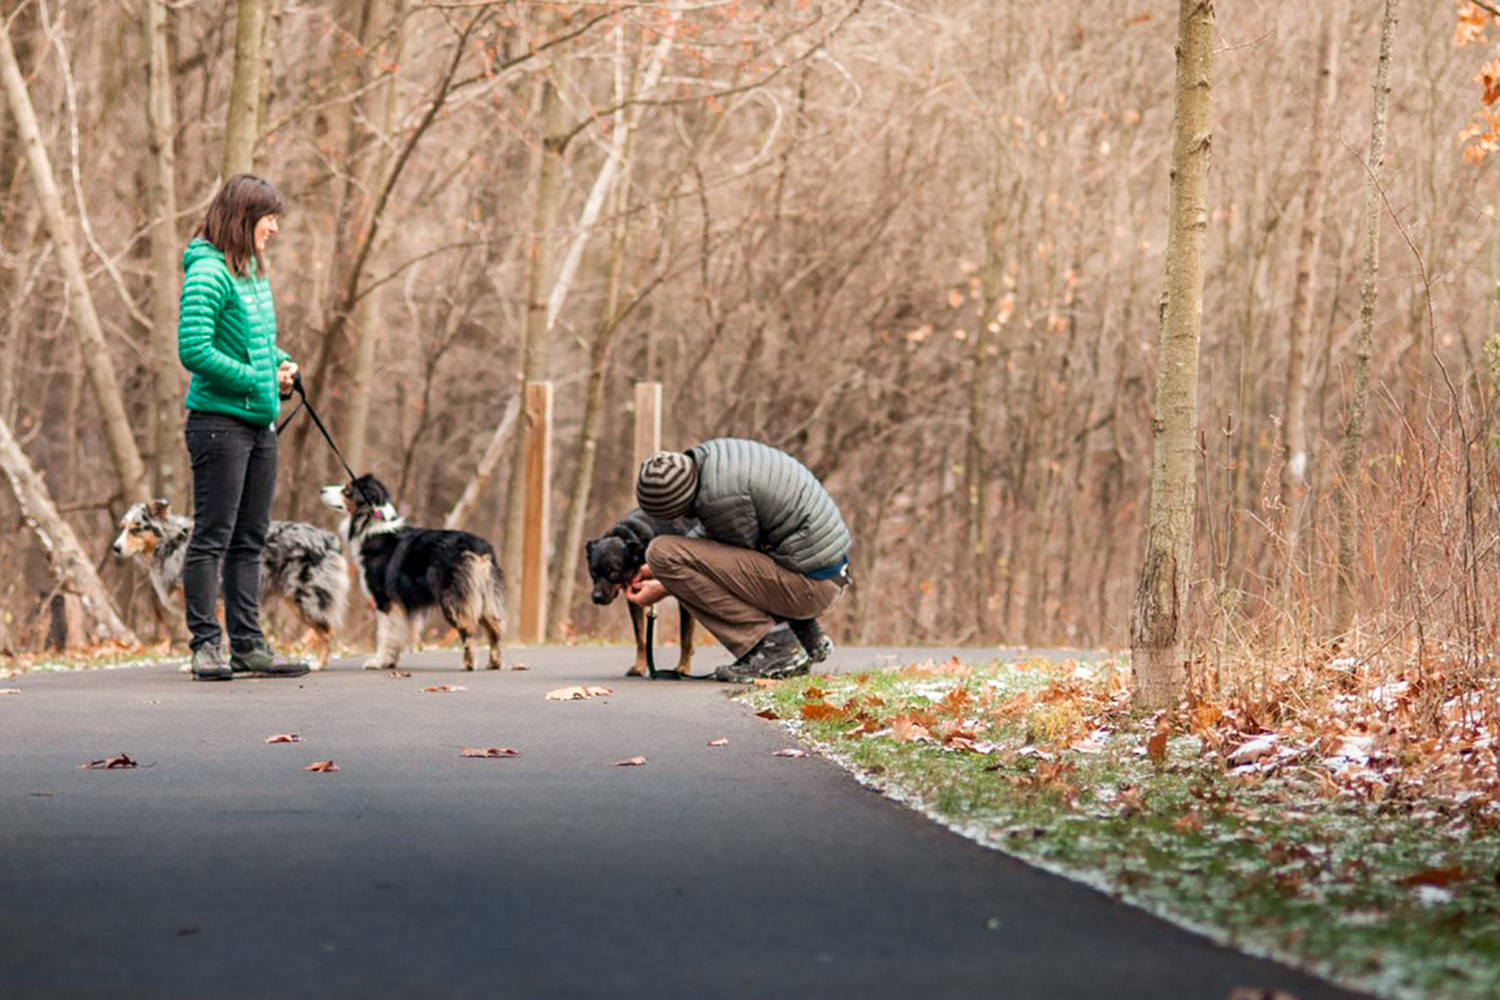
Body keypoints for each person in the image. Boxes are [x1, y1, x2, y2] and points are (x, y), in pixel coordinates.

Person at [177, 175, 307, 681]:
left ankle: (249, 647)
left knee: (250, 539)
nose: (274, 227)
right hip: (217, 424)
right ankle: (206, 646)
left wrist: (284, 364)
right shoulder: (207, 271)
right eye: (268, 217)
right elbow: (194, 351)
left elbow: (255, 343)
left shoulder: (250, 269)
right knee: (213, 536)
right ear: (243, 217)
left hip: (259, 421)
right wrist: (259, 376)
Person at [625, 438, 851, 682]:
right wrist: (655, 573)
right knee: (665, 560)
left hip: (810, 586)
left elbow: (729, 564)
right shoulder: (712, 461)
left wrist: (664, 584)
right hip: (823, 574)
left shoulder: (720, 497)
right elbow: (720, 550)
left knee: (661, 552)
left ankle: (777, 649)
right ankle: (806, 636)